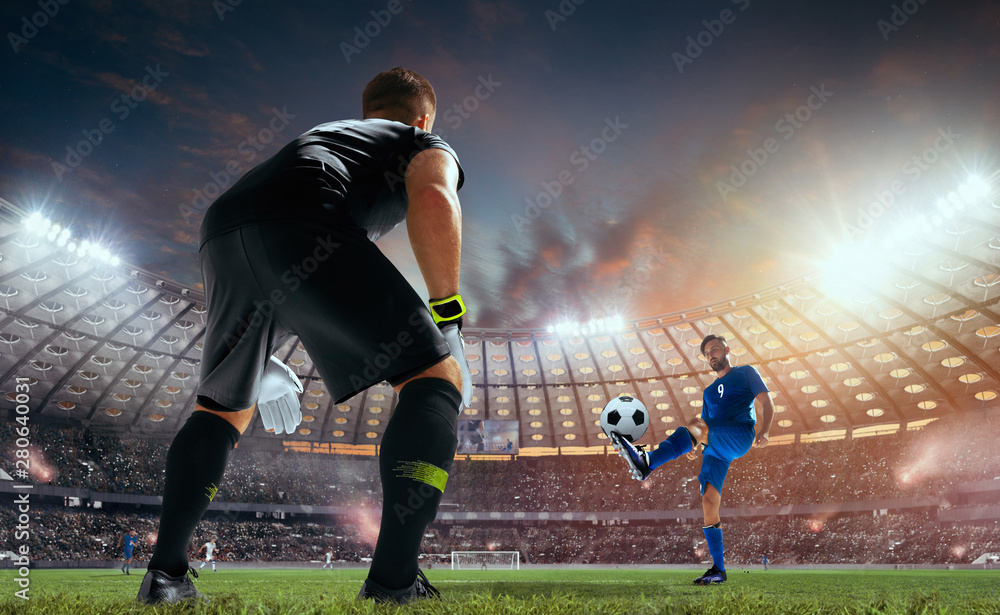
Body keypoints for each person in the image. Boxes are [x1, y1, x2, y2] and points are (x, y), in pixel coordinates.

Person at [137, 67, 471, 606]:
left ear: (369, 111)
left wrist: (258, 352)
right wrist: (448, 311)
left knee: (223, 408)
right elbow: (434, 196)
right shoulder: (420, 139)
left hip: (221, 228)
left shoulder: (331, 136)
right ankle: (394, 583)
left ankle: (166, 576)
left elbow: (270, 240)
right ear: (423, 116)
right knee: (435, 375)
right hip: (300, 218)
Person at [612, 333, 773, 585]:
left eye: (716, 349)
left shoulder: (746, 372)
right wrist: (693, 445)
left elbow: (767, 402)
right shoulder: (708, 391)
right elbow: (701, 424)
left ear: (727, 350)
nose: (711, 355)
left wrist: (765, 431)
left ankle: (648, 462)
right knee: (709, 501)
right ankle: (718, 570)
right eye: (707, 353)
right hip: (715, 447)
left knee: (697, 423)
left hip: (740, 434)